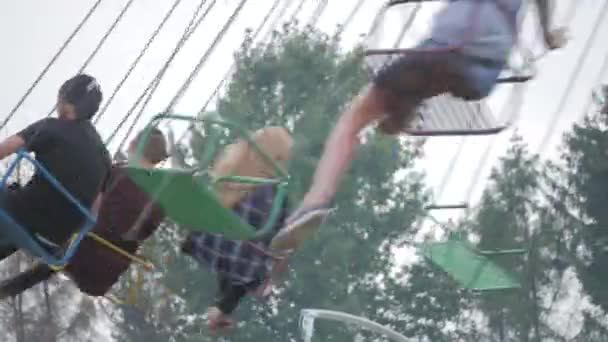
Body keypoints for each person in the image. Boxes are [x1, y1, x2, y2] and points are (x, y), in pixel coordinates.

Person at [269, 0, 569, 252]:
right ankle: (404, 107)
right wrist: (548, 34)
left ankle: (317, 198)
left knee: (353, 119)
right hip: (482, 67)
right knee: (430, 79)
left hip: (453, 42)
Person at [0, 128, 168, 298]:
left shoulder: (118, 174)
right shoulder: (161, 204)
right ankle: (8, 289)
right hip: (101, 276)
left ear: (136, 146)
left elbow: (91, 209)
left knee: (32, 218)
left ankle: (8, 283)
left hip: (76, 252)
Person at [180, 126, 293, 332]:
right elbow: (275, 241)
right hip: (238, 260)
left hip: (204, 243)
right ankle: (223, 308)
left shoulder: (229, 170)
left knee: (233, 244)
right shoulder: (276, 195)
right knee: (257, 260)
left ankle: (221, 307)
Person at [0, 74, 111, 260]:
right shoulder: (105, 157)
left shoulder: (53, 127)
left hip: (23, 218)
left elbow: (4, 149)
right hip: (53, 242)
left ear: (65, 100)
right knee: (23, 222)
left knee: (17, 212)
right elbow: (94, 212)